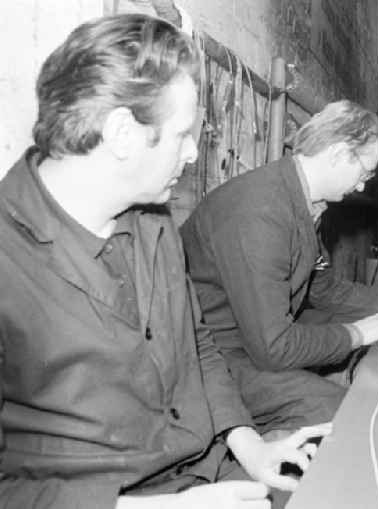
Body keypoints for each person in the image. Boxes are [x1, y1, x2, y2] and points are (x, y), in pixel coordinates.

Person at [0, 14, 327, 509]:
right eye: (182, 134)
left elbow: (198, 344)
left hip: (205, 472)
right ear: (122, 133)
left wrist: (249, 443)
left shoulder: (153, 221)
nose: (194, 153)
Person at [180, 100, 378, 431]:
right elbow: (273, 349)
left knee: (358, 340)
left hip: (252, 336)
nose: (362, 186)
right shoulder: (261, 211)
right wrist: (358, 333)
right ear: (338, 154)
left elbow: (321, 286)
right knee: (342, 416)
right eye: (363, 173)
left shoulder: (304, 201)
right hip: (215, 355)